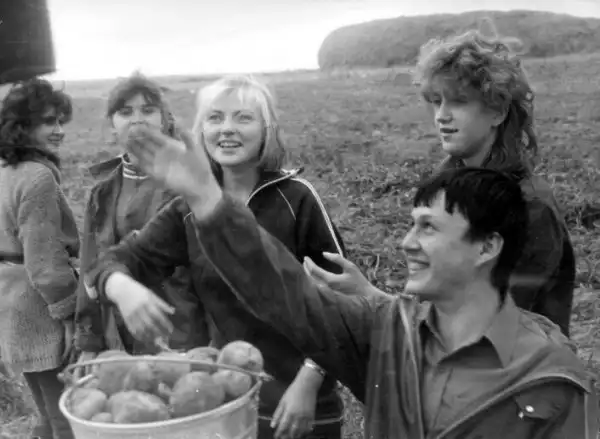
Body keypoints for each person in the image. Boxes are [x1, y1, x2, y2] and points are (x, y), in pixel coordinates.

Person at [86, 120, 598, 438]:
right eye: (409, 225)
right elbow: (286, 291)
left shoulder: (551, 378)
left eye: (428, 228)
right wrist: (208, 203)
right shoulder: (387, 330)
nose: (406, 243)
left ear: (487, 247)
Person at [84, 75, 348, 439]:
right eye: (215, 118)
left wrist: (309, 381)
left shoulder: (297, 199)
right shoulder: (187, 209)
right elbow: (111, 261)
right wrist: (121, 287)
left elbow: (343, 299)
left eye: (243, 117)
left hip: (302, 401)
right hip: (228, 396)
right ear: (201, 131)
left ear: (267, 129)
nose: (227, 129)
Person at [305, 28, 576, 337]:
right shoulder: (445, 185)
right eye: (436, 101)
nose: (441, 116)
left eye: (459, 102)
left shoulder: (529, 207)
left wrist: (373, 300)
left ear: (498, 111)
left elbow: (488, 328)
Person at [74, 72, 210, 365]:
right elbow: (91, 263)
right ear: (112, 125)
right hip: (122, 336)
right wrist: (89, 340)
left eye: (148, 110)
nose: (137, 119)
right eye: (125, 112)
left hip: (184, 333)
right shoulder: (102, 193)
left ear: (163, 119)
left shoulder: (189, 182)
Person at [0, 79, 77, 439]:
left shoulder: (5, 169)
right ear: (22, 126)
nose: (59, 130)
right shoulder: (38, 176)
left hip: (10, 295)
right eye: (48, 121)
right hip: (40, 303)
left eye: (61, 121)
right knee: (66, 417)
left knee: (45, 411)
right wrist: (70, 314)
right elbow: (46, 263)